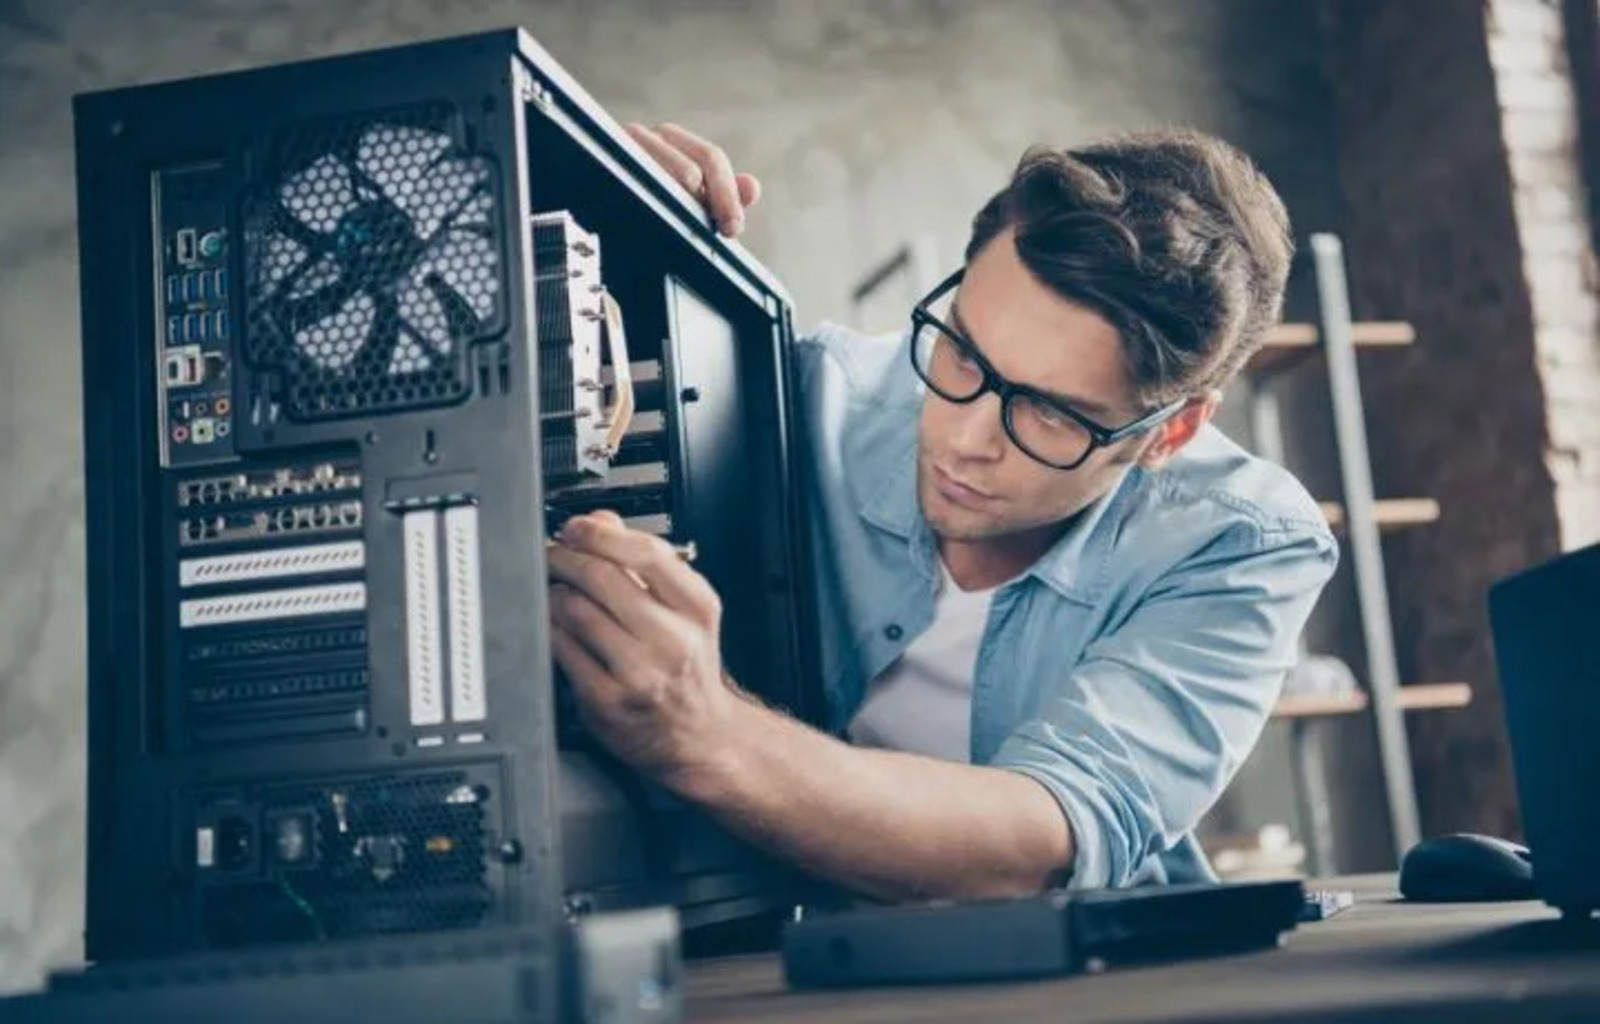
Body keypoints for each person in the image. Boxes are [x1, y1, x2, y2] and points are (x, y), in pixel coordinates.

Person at [543, 120, 1338, 902]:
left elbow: (1041, 843)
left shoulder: (1241, 540)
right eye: (962, 351)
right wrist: (561, 202)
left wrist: (707, 735)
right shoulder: (791, 395)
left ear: (1171, 430)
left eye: (1051, 414)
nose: (963, 438)